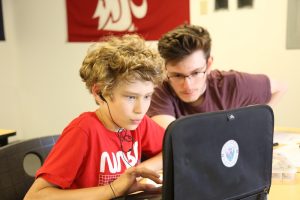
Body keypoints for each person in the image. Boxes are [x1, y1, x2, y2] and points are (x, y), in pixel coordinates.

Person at [24, 34, 165, 200]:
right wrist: (114, 189)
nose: (141, 109)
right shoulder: (83, 131)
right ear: (99, 93)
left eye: (147, 96)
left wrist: (138, 171)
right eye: (131, 97)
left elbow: (172, 149)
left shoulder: (138, 123)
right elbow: (34, 196)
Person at [147, 24, 288, 128]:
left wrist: (255, 124)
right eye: (177, 75)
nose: (187, 85)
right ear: (165, 69)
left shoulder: (232, 83)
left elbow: (280, 87)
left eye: (196, 73)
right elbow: (174, 138)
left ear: (208, 65)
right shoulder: (160, 90)